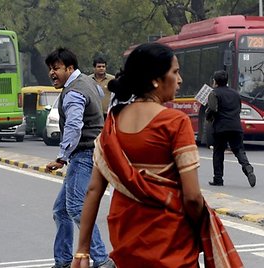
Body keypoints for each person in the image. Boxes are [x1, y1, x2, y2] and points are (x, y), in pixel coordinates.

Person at [72, 43, 243, 268]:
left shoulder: (112, 124)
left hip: (126, 235)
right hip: (169, 239)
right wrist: (199, 227)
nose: (180, 79)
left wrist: (82, 251)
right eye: (175, 72)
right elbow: (192, 197)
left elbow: (94, 190)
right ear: (156, 79)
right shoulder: (175, 122)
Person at [44, 48, 113, 268]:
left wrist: (61, 157)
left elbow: (74, 125)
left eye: (56, 68)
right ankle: (63, 261)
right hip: (89, 152)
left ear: (69, 68)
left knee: (76, 208)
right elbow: (100, 99)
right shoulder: (87, 81)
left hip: (84, 153)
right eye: (50, 69)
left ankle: (102, 260)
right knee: (61, 210)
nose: (51, 73)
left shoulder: (73, 92)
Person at [207, 70, 256, 187]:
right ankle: (247, 167)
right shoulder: (235, 94)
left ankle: (218, 179)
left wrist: (209, 117)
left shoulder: (214, 93)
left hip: (220, 127)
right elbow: (238, 109)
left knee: (218, 152)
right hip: (236, 126)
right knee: (238, 149)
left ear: (215, 81)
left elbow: (213, 109)